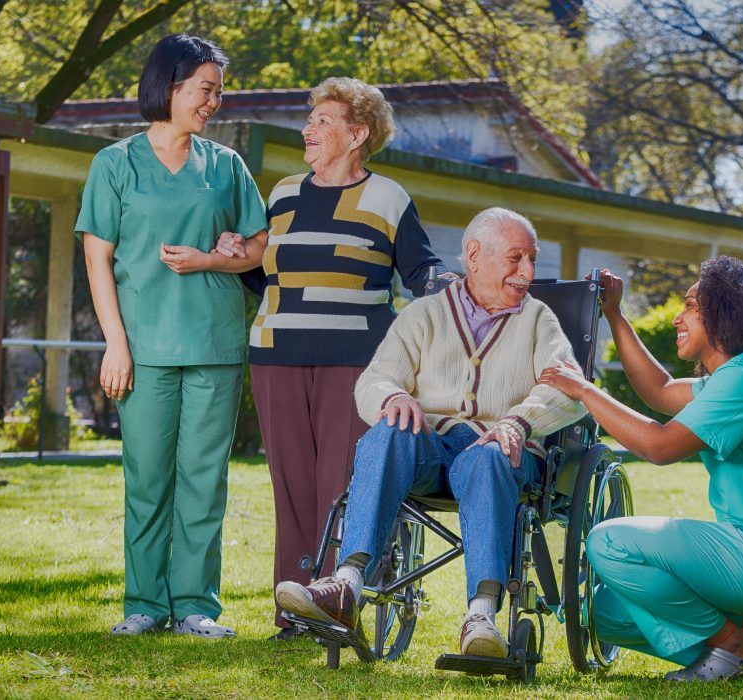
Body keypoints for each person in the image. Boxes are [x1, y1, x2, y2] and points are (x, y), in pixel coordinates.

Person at [273, 207, 585, 657]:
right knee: (387, 432)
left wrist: (518, 422)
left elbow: (568, 388)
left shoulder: (538, 320)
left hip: (500, 455)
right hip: (431, 451)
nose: (528, 272)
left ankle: (481, 616)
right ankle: (347, 585)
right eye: (517, 258)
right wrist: (392, 399)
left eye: (532, 260)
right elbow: (374, 380)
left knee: (489, 454)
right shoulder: (424, 314)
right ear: (474, 255)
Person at [230, 77, 450, 641]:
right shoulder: (281, 194)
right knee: (292, 486)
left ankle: (335, 603)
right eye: (310, 119)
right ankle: (293, 614)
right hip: (276, 356)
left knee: (342, 484)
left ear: (358, 133)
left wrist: (455, 293)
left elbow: (420, 269)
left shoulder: (389, 198)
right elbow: (270, 274)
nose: (308, 128)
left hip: (357, 362)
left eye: (322, 120)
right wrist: (235, 255)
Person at [537, 257, 743, 680]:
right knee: (608, 614)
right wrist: (614, 313)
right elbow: (659, 390)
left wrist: (581, 389)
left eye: (689, 306)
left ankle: (736, 646)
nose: (676, 318)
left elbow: (659, 446)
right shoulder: (737, 377)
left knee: (609, 543)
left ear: (726, 311)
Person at [76, 34, 267, 638]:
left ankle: (195, 607)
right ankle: (144, 605)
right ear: (171, 84)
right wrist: (115, 343)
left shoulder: (227, 167)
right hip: (143, 347)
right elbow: (96, 258)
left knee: (205, 481)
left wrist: (229, 253)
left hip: (213, 345)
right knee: (148, 480)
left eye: (218, 91)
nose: (214, 101)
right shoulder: (115, 164)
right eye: (206, 88)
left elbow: (258, 247)